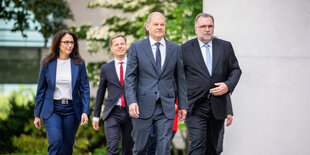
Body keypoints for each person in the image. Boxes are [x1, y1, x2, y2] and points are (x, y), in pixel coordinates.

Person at [125, 12, 188, 155]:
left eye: (162, 24)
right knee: (140, 148)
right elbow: (130, 78)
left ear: (165, 27)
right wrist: (132, 102)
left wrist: (183, 105)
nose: (159, 27)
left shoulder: (175, 49)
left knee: (163, 147)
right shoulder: (137, 47)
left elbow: (180, 79)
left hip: (166, 105)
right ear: (147, 26)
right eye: (155, 24)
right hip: (142, 105)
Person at [181, 13, 242, 155]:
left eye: (210, 26)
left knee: (214, 149)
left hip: (218, 104)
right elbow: (178, 78)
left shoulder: (225, 47)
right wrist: (181, 104)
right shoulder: (185, 49)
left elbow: (235, 70)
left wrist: (228, 85)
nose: (207, 29)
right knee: (197, 146)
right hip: (195, 106)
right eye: (203, 26)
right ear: (196, 29)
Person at [33, 30, 90, 155]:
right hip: (52, 109)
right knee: (56, 142)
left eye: (72, 42)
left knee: (67, 146)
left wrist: (85, 111)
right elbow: (41, 89)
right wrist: (37, 114)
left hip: (71, 109)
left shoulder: (79, 64)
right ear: (58, 43)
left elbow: (85, 88)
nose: (70, 45)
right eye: (66, 42)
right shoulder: (47, 63)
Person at [92, 34, 134, 155]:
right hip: (112, 112)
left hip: (131, 112)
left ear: (126, 46)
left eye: (122, 44)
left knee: (128, 149)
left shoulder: (134, 65)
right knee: (112, 146)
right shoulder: (106, 68)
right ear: (111, 48)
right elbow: (100, 92)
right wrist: (96, 115)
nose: (120, 46)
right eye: (116, 44)